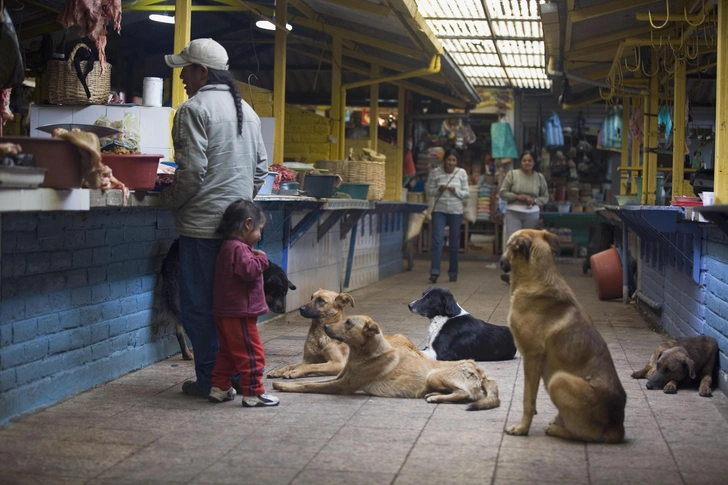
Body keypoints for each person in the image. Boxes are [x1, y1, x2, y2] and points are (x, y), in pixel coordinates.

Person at [161, 38, 269, 397]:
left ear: (202, 72)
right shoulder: (248, 112)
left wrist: (171, 201)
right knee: (230, 309)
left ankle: (211, 380)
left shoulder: (193, 109)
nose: (182, 79)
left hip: (202, 228)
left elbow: (191, 172)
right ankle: (234, 378)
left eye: (185, 70)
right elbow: (260, 170)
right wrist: (240, 214)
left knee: (198, 308)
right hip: (237, 232)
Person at [209, 199, 279, 407]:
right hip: (239, 313)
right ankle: (253, 393)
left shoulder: (228, 247)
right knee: (252, 353)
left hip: (225, 312)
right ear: (247, 224)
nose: (259, 236)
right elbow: (248, 272)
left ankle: (220, 387)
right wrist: (263, 260)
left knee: (228, 353)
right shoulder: (239, 249)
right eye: (259, 229)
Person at [498, 150, 549, 283]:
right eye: (524, 160)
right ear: (520, 162)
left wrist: (535, 201)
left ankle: (526, 274)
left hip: (532, 214)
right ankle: (512, 273)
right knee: (514, 243)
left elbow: (545, 197)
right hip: (513, 213)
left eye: (530, 160)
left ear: (534, 162)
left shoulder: (539, 177)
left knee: (528, 245)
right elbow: (503, 193)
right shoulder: (512, 175)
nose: (527, 163)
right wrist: (516, 196)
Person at [426, 148, 470, 283]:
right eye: (449, 160)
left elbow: (466, 193)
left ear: (456, 162)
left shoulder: (461, 173)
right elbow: (429, 192)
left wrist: (455, 190)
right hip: (440, 210)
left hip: (456, 211)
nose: (451, 163)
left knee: (454, 243)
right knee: (437, 240)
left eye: (454, 160)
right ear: (444, 160)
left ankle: (453, 272)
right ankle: (434, 272)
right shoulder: (435, 173)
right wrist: (438, 189)